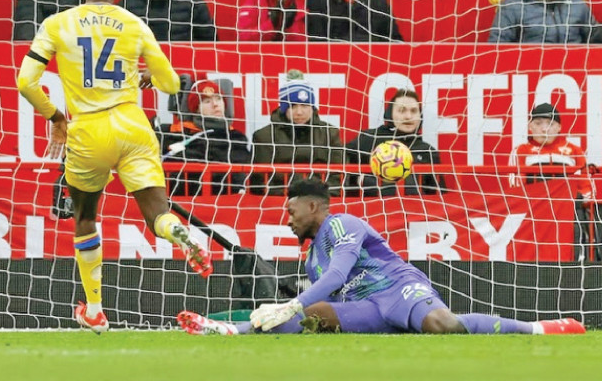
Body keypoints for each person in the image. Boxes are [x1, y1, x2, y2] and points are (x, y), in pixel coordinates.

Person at [16, 0, 212, 333]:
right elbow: (172, 84)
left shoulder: (57, 23)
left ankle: (94, 309)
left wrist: (56, 117)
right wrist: (149, 78)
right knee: (157, 213)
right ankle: (177, 232)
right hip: (132, 124)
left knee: (86, 217)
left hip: (88, 130)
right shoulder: (135, 24)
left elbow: (25, 81)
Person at [178, 177, 586, 336]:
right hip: (368, 309)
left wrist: (292, 302)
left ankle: (536, 328)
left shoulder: (342, 224)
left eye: (291, 210)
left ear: (314, 207)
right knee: (313, 319)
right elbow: (331, 295)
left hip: (397, 289)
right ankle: (226, 331)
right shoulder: (309, 262)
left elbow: (339, 273)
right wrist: (303, 311)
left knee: (442, 326)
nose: (287, 219)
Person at [251, 70, 343, 196]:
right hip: (280, 202)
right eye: (293, 106)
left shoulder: (330, 134)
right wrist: (292, 196)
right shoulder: (264, 136)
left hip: (322, 202)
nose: (299, 112)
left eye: (304, 105)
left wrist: (321, 197)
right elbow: (260, 181)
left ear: (312, 107)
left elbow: (339, 176)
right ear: (284, 108)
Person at [344, 89, 444, 197]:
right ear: (389, 113)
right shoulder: (369, 139)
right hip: (372, 210)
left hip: (415, 211)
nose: (408, 116)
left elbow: (441, 195)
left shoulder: (427, 151)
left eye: (414, 111)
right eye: (402, 110)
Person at [158, 79, 251, 195]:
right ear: (196, 109)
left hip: (227, 205)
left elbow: (241, 179)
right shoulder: (174, 135)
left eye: (218, 98)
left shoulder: (236, 138)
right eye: (207, 101)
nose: (215, 104)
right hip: (184, 204)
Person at [508, 103, 594, 202]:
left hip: (569, 210)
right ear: (530, 126)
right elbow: (516, 190)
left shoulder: (575, 151)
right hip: (534, 210)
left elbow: (588, 188)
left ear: (559, 127)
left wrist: (575, 200)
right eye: (538, 123)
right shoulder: (520, 151)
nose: (544, 129)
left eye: (550, 123)